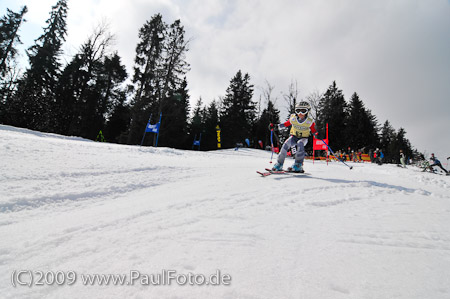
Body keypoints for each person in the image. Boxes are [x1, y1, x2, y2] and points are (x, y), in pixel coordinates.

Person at [269, 101, 317, 173]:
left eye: (303, 111)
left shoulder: (309, 121)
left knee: (300, 143)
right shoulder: (293, 118)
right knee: (285, 145)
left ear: (307, 112)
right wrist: (276, 126)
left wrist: (316, 134)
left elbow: (314, 130)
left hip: (303, 138)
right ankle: (279, 164)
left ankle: (298, 164)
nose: (300, 113)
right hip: (294, 137)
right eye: (298, 111)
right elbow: (285, 124)